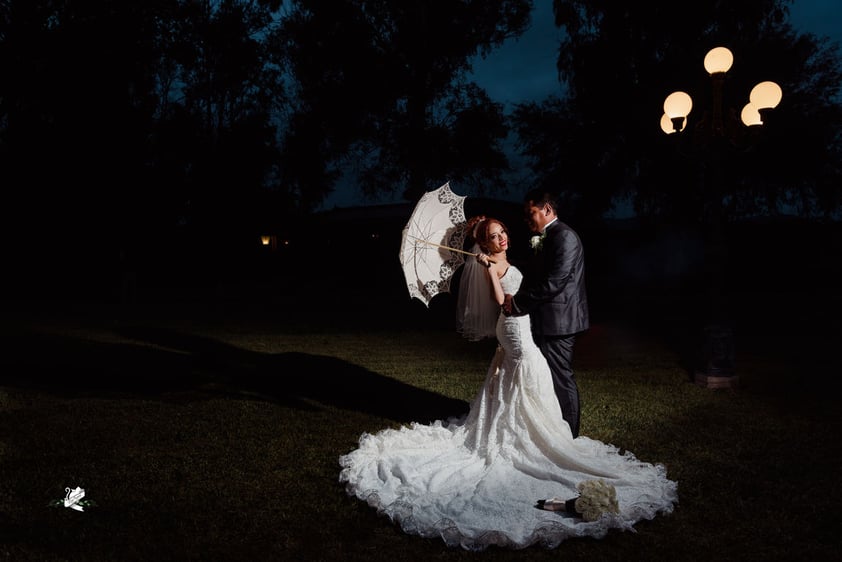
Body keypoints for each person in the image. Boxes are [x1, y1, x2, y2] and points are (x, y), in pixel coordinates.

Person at [339, 215, 678, 551]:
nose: (501, 238)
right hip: (515, 328)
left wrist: (499, 265)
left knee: (524, 376)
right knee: (531, 370)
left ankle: (526, 426)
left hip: (515, 327)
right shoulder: (491, 265)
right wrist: (489, 269)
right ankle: (527, 433)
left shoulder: (502, 258)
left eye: (502, 233)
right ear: (483, 243)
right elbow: (503, 301)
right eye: (493, 236)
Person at [503, 189, 588, 438]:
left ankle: (570, 436)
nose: (528, 220)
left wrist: (518, 303)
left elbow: (555, 282)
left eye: (532, 213)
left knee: (560, 378)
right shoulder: (548, 237)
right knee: (546, 377)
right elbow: (535, 272)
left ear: (547, 210)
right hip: (546, 319)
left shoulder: (565, 237)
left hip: (560, 322)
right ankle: (553, 430)